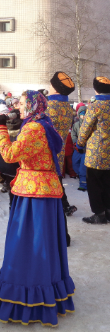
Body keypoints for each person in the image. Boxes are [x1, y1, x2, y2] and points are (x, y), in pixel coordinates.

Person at [0, 90, 75, 326]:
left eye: (24, 102)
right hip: (46, 189)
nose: (20, 106)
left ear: (34, 105)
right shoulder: (44, 124)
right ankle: (48, 286)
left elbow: (9, 154)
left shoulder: (34, 128)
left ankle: (30, 290)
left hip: (33, 193)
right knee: (45, 240)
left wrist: (0, 128)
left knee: (29, 243)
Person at [77, 76, 110, 224]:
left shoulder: (95, 106)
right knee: (108, 183)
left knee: (94, 184)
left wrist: (79, 144)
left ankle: (99, 214)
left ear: (96, 89)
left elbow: (85, 128)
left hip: (96, 153)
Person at [46, 72, 77, 224]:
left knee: (53, 182)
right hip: (61, 148)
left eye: (50, 85)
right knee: (56, 179)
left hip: (48, 152)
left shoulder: (49, 107)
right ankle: (64, 205)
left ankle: (62, 206)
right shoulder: (67, 107)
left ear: (56, 88)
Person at [72, 105, 87, 191]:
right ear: (79, 115)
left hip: (85, 150)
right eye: (82, 114)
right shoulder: (76, 125)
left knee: (83, 167)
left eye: (85, 114)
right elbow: (73, 134)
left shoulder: (90, 124)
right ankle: (81, 175)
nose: (83, 116)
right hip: (77, 148)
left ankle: (83, 184)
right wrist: (75, 143)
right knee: (75, 164)